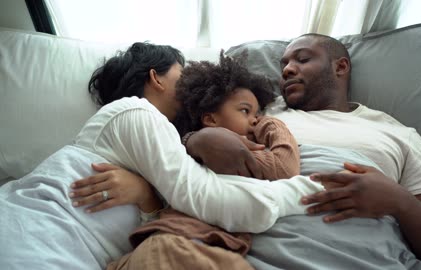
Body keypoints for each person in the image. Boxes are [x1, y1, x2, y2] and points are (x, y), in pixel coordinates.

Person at [0, 41, 330, 270]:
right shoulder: (132, 111)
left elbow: (148, 228)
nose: (189, 83)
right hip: (32, 236)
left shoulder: (156, 148)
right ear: (156, 77)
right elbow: (203, 196)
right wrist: (317, 189)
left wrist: (148, 199)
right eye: (181, 72)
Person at [185, 33, 421, 267]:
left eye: (302, 59)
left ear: (340, 67)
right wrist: (197, 140)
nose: (287, 70)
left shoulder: (400, 135)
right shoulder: (260, 113)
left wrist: (399, 201)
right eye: (284, 64)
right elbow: (183, 141)